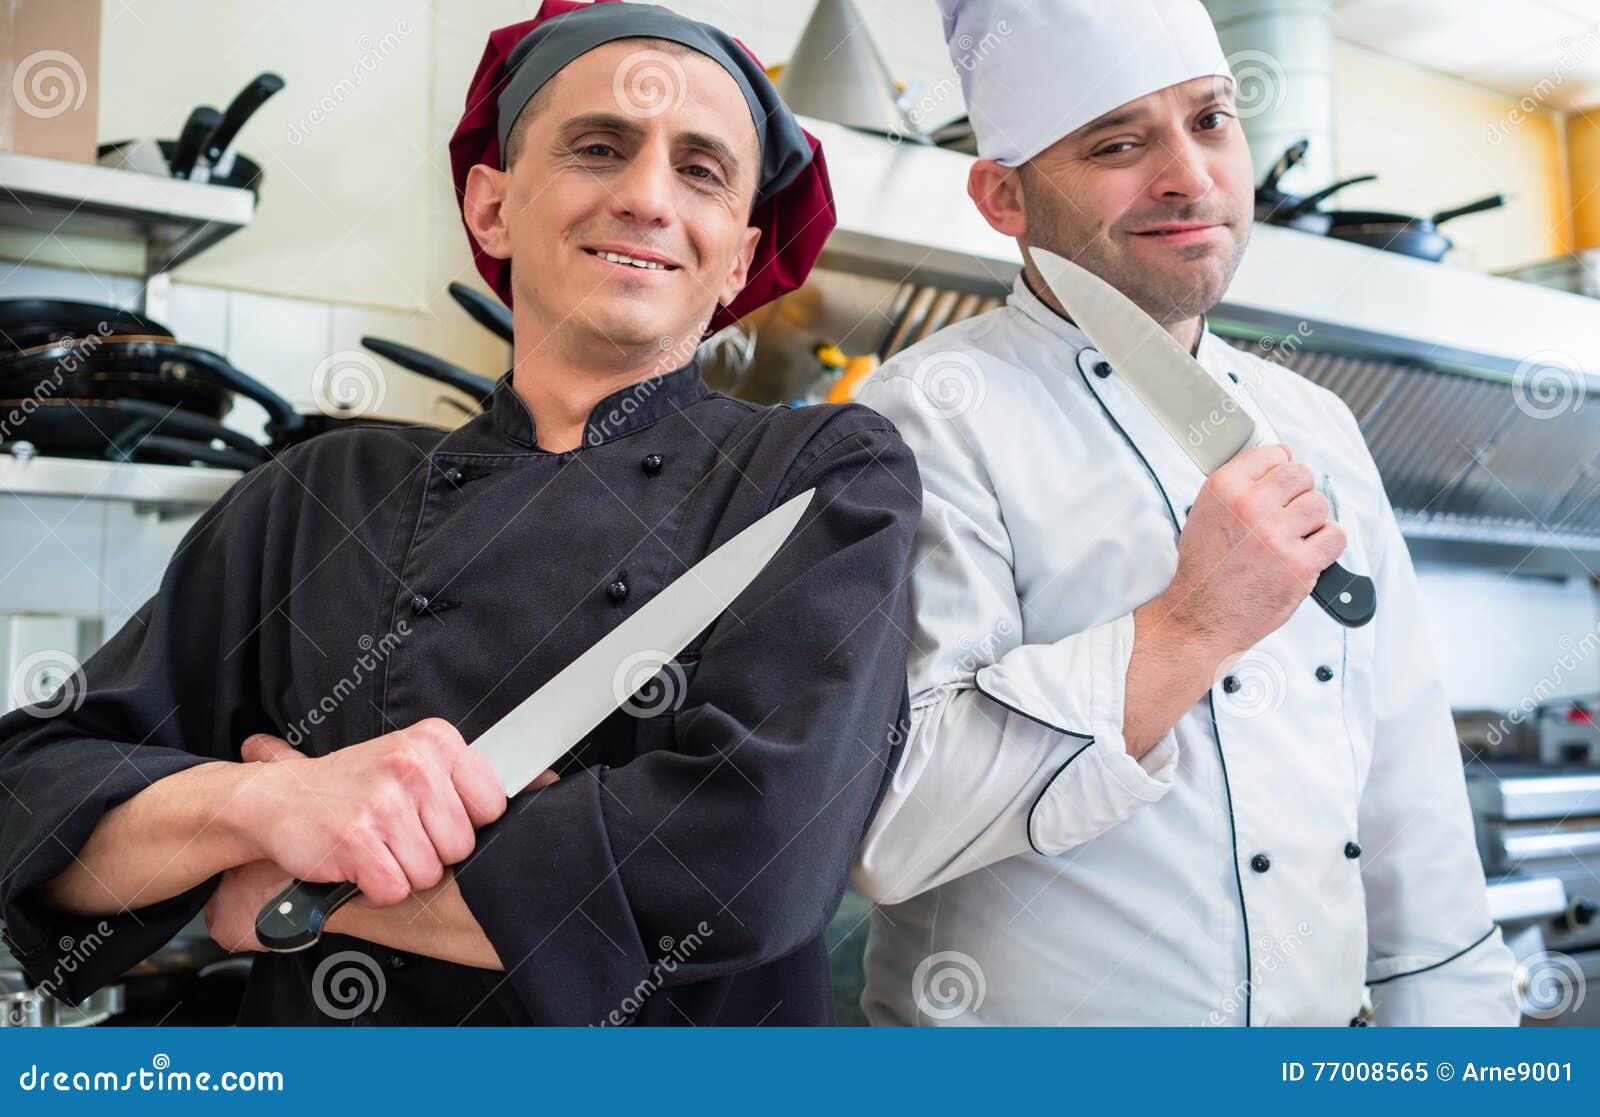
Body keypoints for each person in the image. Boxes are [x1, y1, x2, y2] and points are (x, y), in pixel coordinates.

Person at [0, 0, 919, 1026]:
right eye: (600, 146)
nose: (648, 197)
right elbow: (32, 797)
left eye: (701, 169)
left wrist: (313, 900)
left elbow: (754, 857)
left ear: (741, 257)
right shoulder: (319, 492)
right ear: (490, 206)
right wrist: (261, 803)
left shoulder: (818, 471)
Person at [851, 0, 1516, 1026]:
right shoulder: (921, 415)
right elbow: (891, 828)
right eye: (1118, 142)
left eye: (1210, 121)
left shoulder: (1317, 425)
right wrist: (1190, 627)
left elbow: (1409, 804)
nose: (1190, 177)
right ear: (1001, 197)